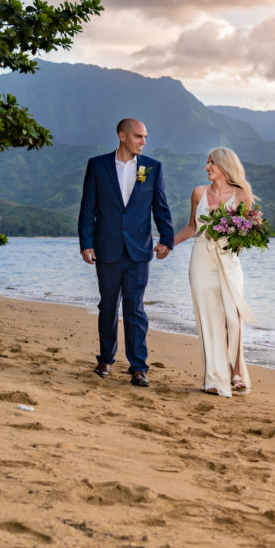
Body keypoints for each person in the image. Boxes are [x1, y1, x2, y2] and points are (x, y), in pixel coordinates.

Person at [78, 118, 174, 387]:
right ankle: (105, 359)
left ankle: (138, 368)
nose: (144, 141)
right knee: (107, 307)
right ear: (122, 136)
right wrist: (86, 243)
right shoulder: (97, 166)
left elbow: (161, 207)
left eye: (145, 137)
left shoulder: (152, 167)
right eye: (138, 136)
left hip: (139, 250)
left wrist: (167, 239)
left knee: (135, 310)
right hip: (106, 248)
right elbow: (88, 208)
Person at [173, 148, 256, 397]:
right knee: (207, 318)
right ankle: (213, 377)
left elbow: (245, 235)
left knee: (233, 316)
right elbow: (191, 228)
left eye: (212, 163)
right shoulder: (198, 193)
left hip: (228, 261)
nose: (207, 167)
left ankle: (236, 371)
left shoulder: (243, 196)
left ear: (225, 166)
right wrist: (167, 244)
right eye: (207, 162)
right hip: (201, 259)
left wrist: (237, 237)